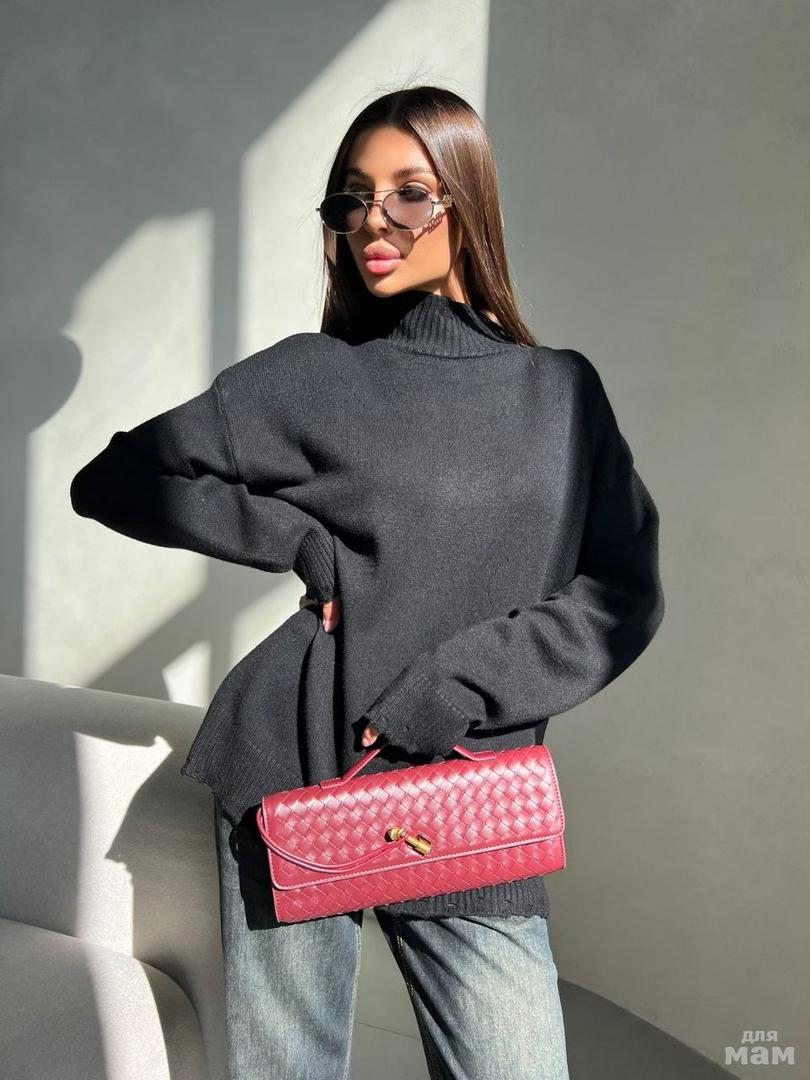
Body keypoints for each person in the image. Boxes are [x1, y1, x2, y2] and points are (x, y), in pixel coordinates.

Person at [71, 85, 665, 1080]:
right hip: (293, 762)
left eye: (409, 193)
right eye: (352, 197)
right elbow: (115, 478)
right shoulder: (312, 377)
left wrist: (456, 687)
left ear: (467, 202)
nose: (374, 221)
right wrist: (301, 538)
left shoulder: (559, 392)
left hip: (468, 781)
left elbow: (623, 591)